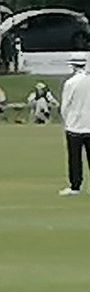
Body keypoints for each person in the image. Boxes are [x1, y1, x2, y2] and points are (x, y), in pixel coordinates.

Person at [60, 55, 90, 196]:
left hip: (74, 126)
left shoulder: (71, 83)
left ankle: (75, 186)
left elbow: (65, 105)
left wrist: (66, 120)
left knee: (75, 158)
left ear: (72, 65)